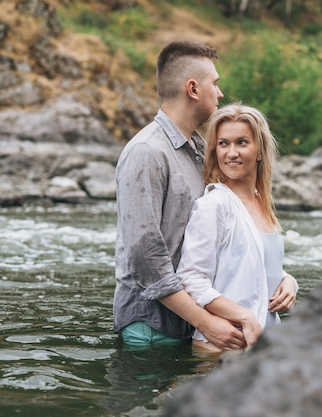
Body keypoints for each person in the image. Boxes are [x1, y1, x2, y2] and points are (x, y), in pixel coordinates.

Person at [113, 41, 247, 350]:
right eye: (214, 83)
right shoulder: (146, 152)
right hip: (152, 331)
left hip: (191, 326)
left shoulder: (200, 150)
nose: (221, 92)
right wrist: (206, 322)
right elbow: (145, 258)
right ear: (193, 89)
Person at [176, 103, 299, 352]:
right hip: (221, 349)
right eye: (223, 143)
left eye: (242, 142)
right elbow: (191, 278)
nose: (231, 153)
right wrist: (243, 317)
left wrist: (288, 282)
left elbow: (251, 264)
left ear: (260, 151)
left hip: (263, 346)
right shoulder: (214, 204)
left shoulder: (262, 203)